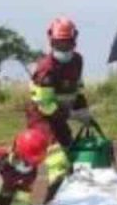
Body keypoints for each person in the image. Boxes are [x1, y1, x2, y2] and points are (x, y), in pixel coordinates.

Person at [26, 18, 88, 151]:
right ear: (52, 42)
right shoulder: (46, 69)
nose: (64, 48)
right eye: (59, 44)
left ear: (74, 41)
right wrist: (71, 115)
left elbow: (76, 89)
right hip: (42, 115)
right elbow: (46, 105)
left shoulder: (77, 61)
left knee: (68, 145)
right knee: (55, 150)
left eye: (67, 43)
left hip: (60, 114)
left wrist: (83, 110)